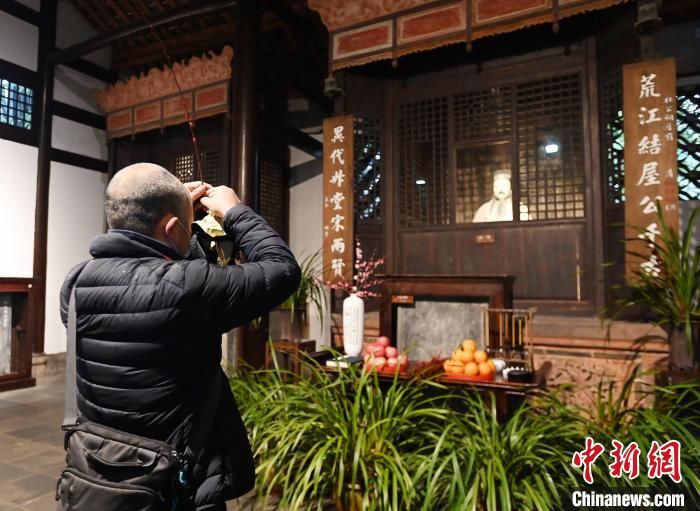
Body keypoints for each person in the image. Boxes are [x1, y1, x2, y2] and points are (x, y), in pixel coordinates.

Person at [58, 163, 301, 510]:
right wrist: (234, 210)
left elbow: (146, 279)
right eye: (185, 228)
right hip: (177, 479)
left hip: (97, 468)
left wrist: (175, 218)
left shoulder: (75, 284)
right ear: (171, 228)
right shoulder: (186, 287)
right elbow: (282, 270)